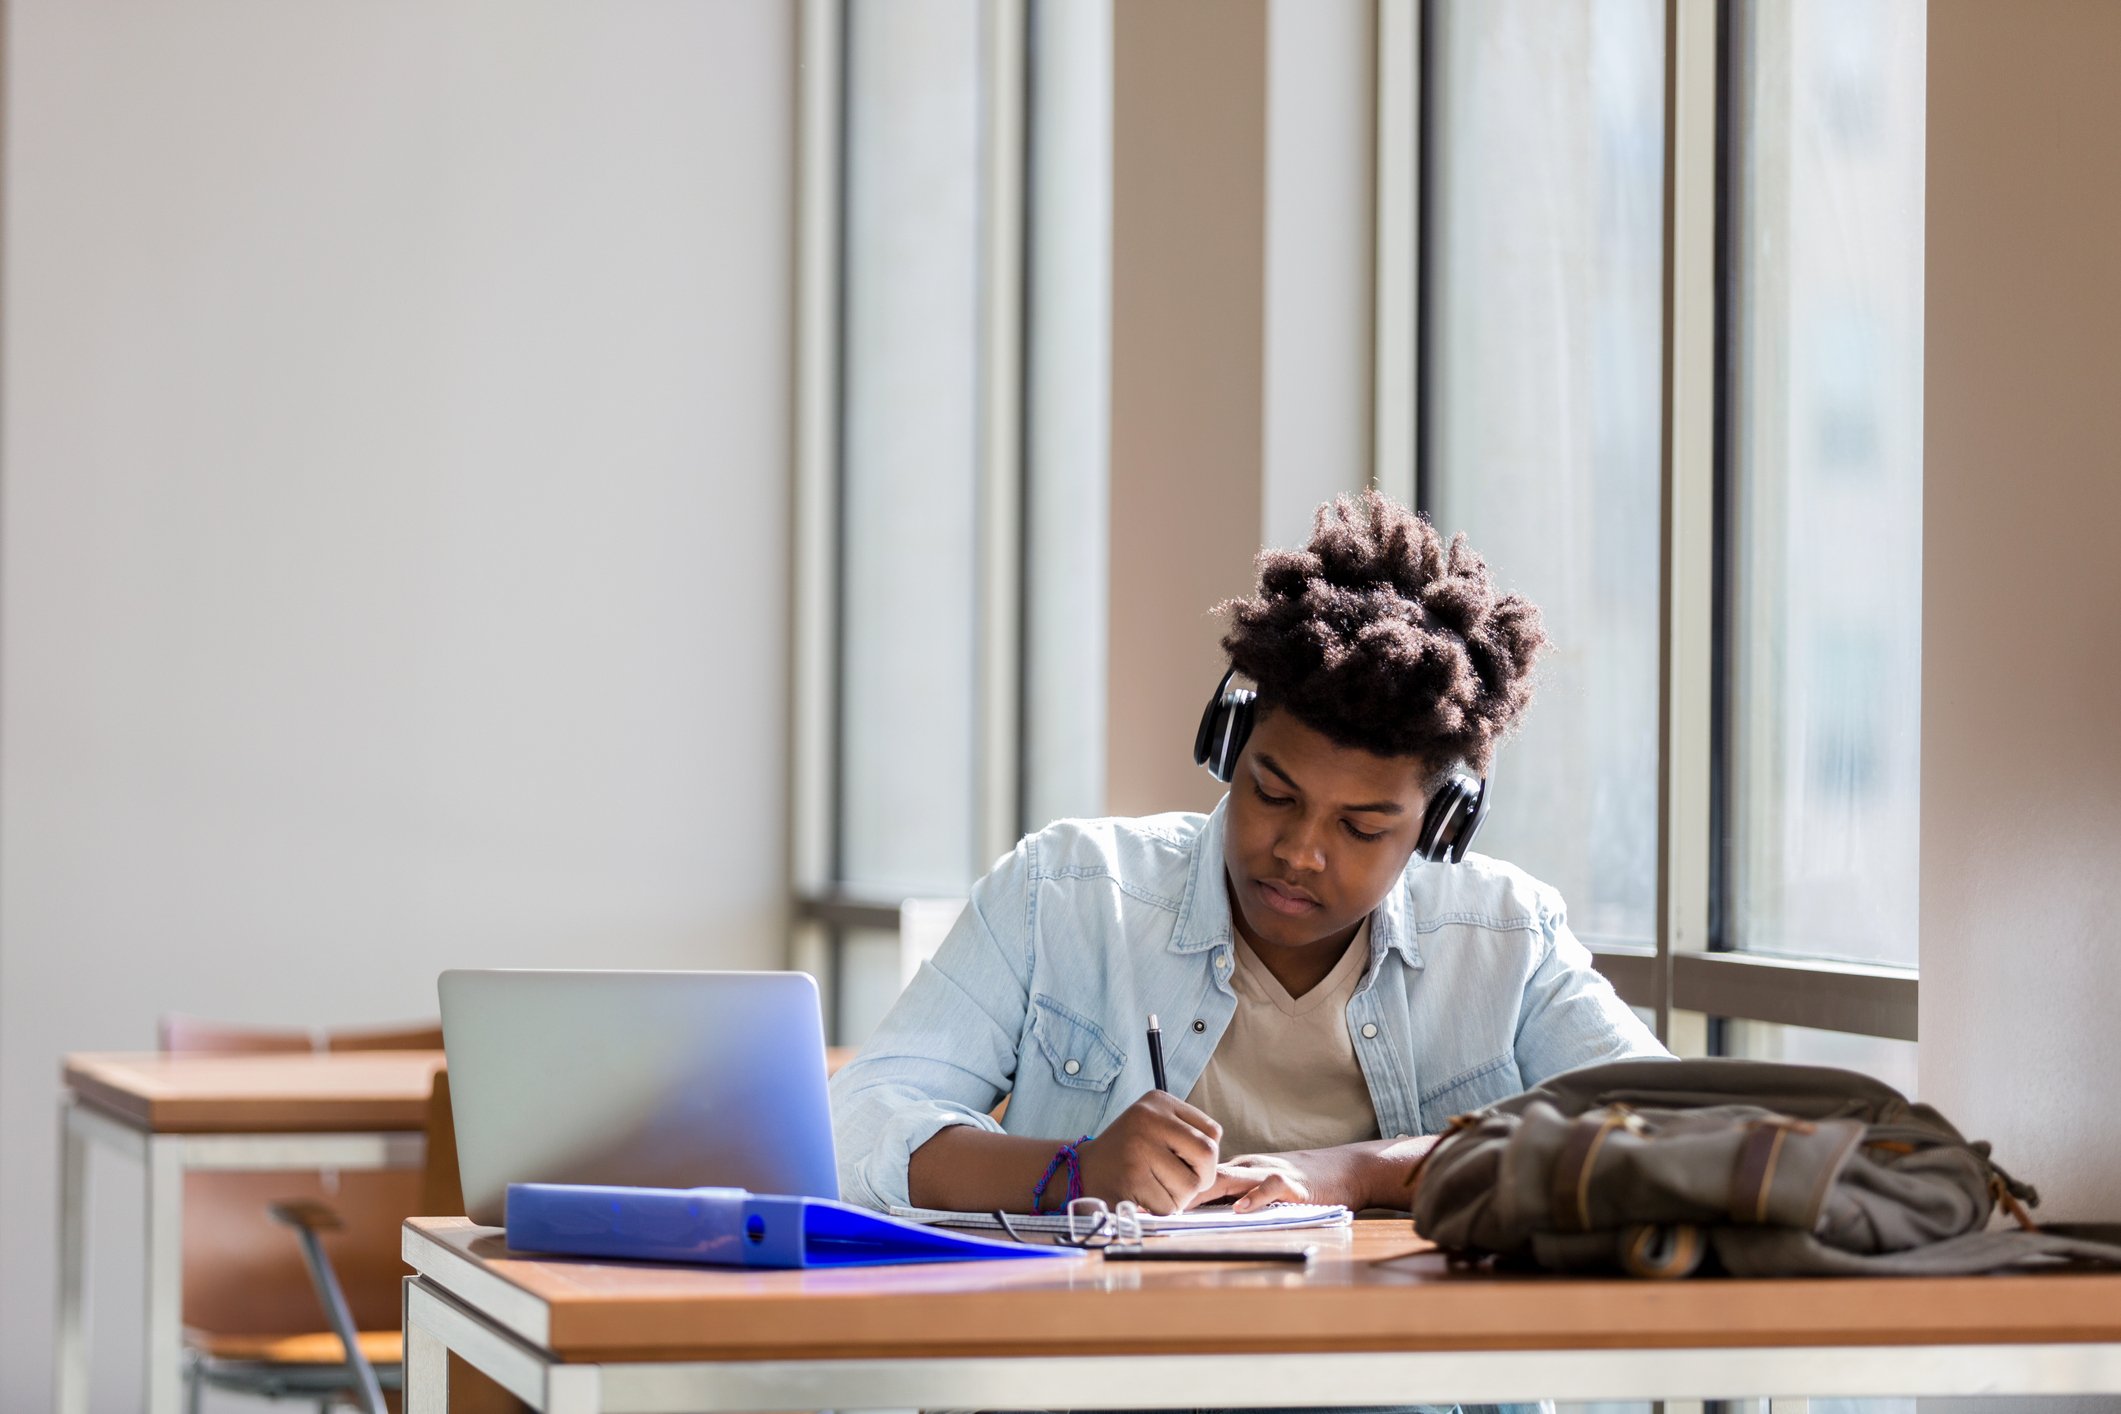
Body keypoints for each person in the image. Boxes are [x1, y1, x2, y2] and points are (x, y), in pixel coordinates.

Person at [831, 490, 1667, 1219]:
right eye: (1273, 793)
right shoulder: (1065, 892)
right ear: (1230, 746)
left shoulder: (1505, 940)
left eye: (1362, 828)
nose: (1299, 852)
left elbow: (1664, 1139)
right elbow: (857, 1125)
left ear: (1439, 825)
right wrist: (1070, 1172)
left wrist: (1362, 1172)